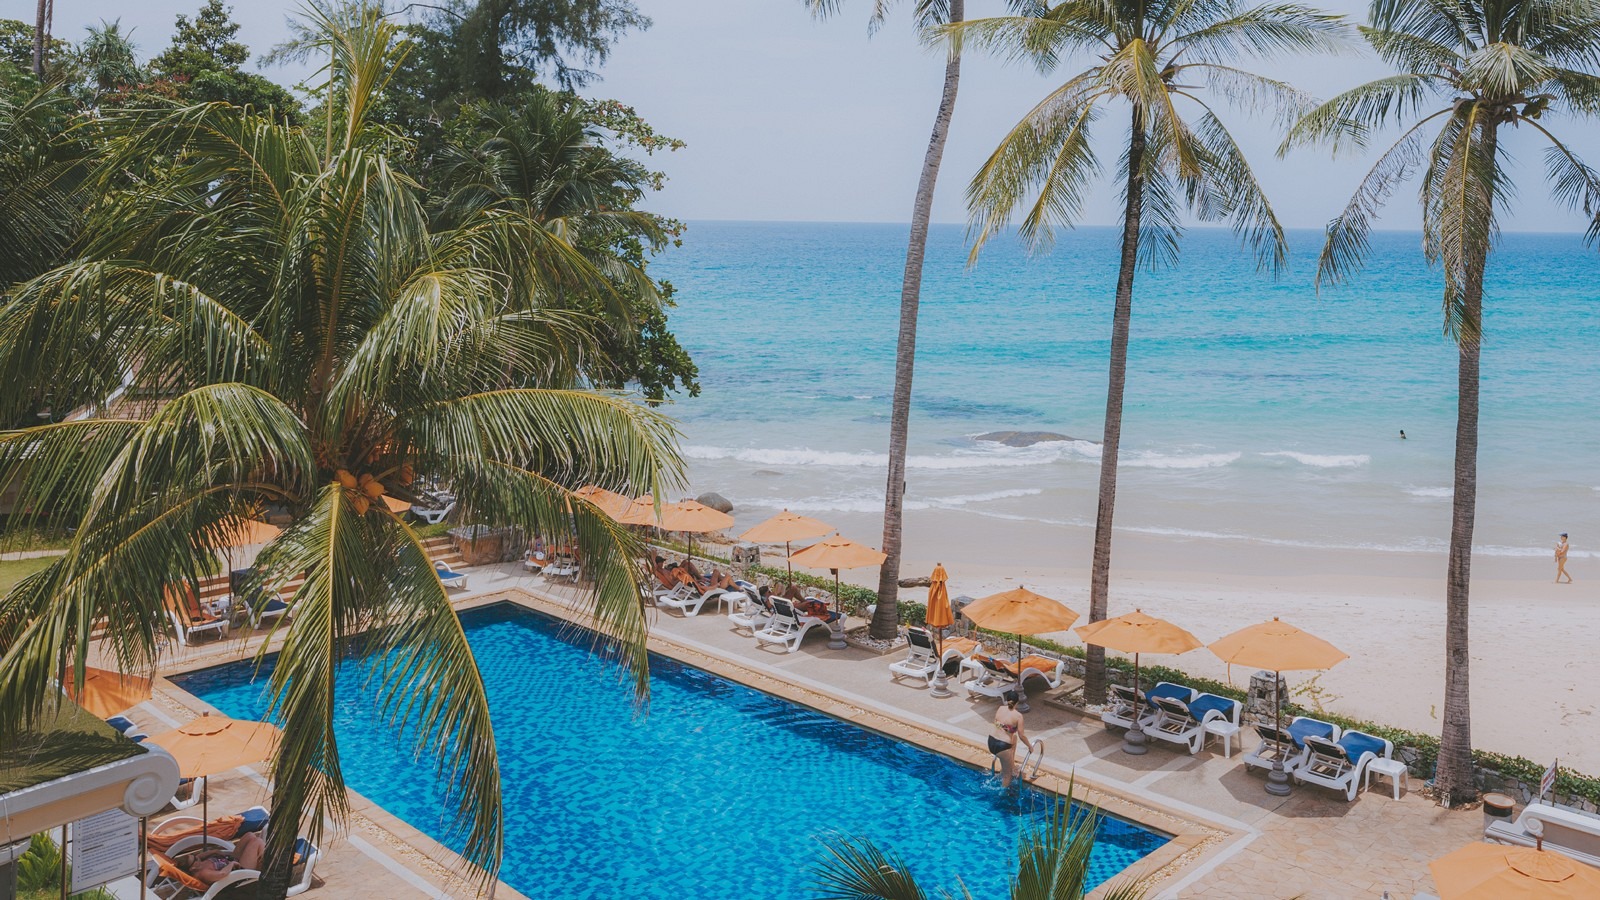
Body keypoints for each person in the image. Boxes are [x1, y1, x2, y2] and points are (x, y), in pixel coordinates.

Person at [184, 830, 265, 885]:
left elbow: (200, 856)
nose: (197, 857)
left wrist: (214, 851)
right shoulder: (204, 873)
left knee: (249, 835)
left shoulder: (197, 865)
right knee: (256, 842)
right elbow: (222, 874)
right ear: (192, 868)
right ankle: (269, 864)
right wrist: (232, 864)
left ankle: (263, 858)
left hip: (231, 861)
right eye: (195, 859)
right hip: (239, 873)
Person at [989, 692, 1034, 788]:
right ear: (1017, 703)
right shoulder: (1018, 716)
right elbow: (1022, 735)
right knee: (1007, 776)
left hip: (991, 742)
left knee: (1014, 738)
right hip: (1003, 747)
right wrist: (1030, 746)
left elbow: (997, 723)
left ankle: (1011, 766)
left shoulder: (1000, 708)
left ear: (1007, 700)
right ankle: (1001, 796)